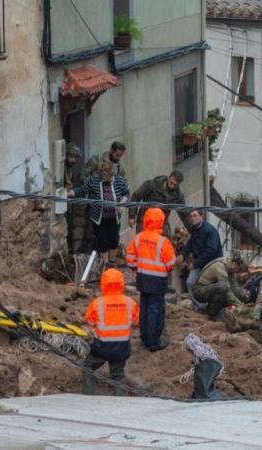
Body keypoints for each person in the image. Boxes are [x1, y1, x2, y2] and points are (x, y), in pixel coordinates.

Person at [83, 268, 139, 396]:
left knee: (87, 368)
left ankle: (88, 399)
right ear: (121, 283)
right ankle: (120, 402)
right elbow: (136, 322)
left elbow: (90, 322)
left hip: (102, 347)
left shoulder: (97, 303)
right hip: (122, 347)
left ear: (103, 283)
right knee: (118, 375)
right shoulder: (130, 303)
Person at [125, 208, 176, 351]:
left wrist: (136, 268)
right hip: (158, 280)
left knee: (145, 307)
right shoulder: (163, 241)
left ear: (146, 220)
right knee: (156, 309)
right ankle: (153, 342)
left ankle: (145, 337)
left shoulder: (138, 237)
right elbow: (171, 262)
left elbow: (129, 258)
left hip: (142, 278)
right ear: (161, 221)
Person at [69, 160, 130, 266]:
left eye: (105, 175)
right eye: (102, 174)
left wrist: (122, 203)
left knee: (114, 239)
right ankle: (105, 264)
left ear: (112, 174)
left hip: (114, 217)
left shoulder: (119, 181)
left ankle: (112, 262)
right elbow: (83, 189)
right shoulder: (94, 180)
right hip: (99, 217)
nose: (103, 177)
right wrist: (71, 193)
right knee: (102, 240)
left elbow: (126, 193)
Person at [178, 209, 223, 295]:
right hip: (200, 263)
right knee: (190, 282)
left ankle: (208, 306)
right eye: (191, 216)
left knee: (208, 286)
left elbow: (211, 251)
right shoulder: (194, 230)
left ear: (201, 216)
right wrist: (182, 254)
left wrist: (195, 264)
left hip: (212, 264)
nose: (192, 218)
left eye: (195, 215)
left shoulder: (210, 230)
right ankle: (199, 306)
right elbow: (190, 244)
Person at [64, 143, 88, 254]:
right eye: (71, 157)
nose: (73, 160)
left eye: (75, 158)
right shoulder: (62, 168)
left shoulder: (71, 170)